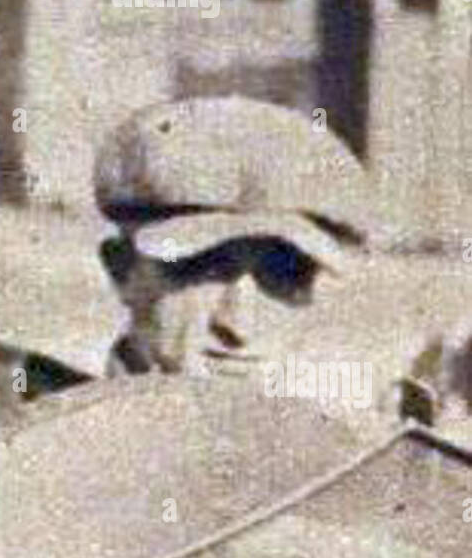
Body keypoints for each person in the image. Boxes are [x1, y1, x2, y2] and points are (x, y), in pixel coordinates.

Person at [92, 94, 472, 424]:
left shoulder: (353, 457)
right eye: (203, 267)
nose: (239, 324)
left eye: (284, 273)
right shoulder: (48, 454)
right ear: (122, 271)